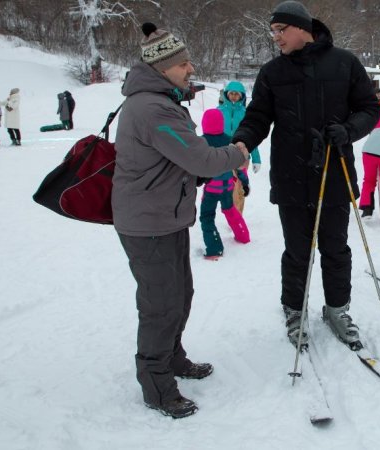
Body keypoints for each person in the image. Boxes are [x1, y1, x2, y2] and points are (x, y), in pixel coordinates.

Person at [112, 22, 249, 419]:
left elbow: (181, 161)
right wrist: (238, 152)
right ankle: (157, 386)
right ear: (162, 68)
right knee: (160, 305)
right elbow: (201, 158)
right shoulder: (152, 107)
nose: (192, 69)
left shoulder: (163, 101)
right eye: (184, 63)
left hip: (165, 216)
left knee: (180, 295)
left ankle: (172, 358)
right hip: (147, 221)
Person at [231, 1, 380, 351]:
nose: (276, 37)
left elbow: (371, 108)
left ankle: (337, 309)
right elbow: (257, 118)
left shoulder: (345, 63)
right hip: (291, 175)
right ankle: (295, 310)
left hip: (334, 171)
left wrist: (348, 130)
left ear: (302, 28)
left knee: (336, 249)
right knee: (297, 252)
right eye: (273, 31)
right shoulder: (272, 72)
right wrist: (240, 144)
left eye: (281, 30)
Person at [199, 108, 251, 260]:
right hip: (228, 187)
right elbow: (239, 165)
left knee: (207, 216)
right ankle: (243, 236)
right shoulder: (230, 141)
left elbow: (194, 163)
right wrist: (245, 182)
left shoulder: (201, 143)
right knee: (230, 210)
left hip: (211, 189)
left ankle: (214, 249)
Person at [218, 81, 261, 214]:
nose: (234, 97)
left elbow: (251, 137)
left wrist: (256, 158)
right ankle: (228, 210)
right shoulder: (219, 112)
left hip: (242, 156)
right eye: (231, 93)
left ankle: (237, 214)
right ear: (227, 94)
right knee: (225, 186)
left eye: (237, 94)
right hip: (223, 154)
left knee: (239, 187)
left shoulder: (246, 114)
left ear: (242, 96)